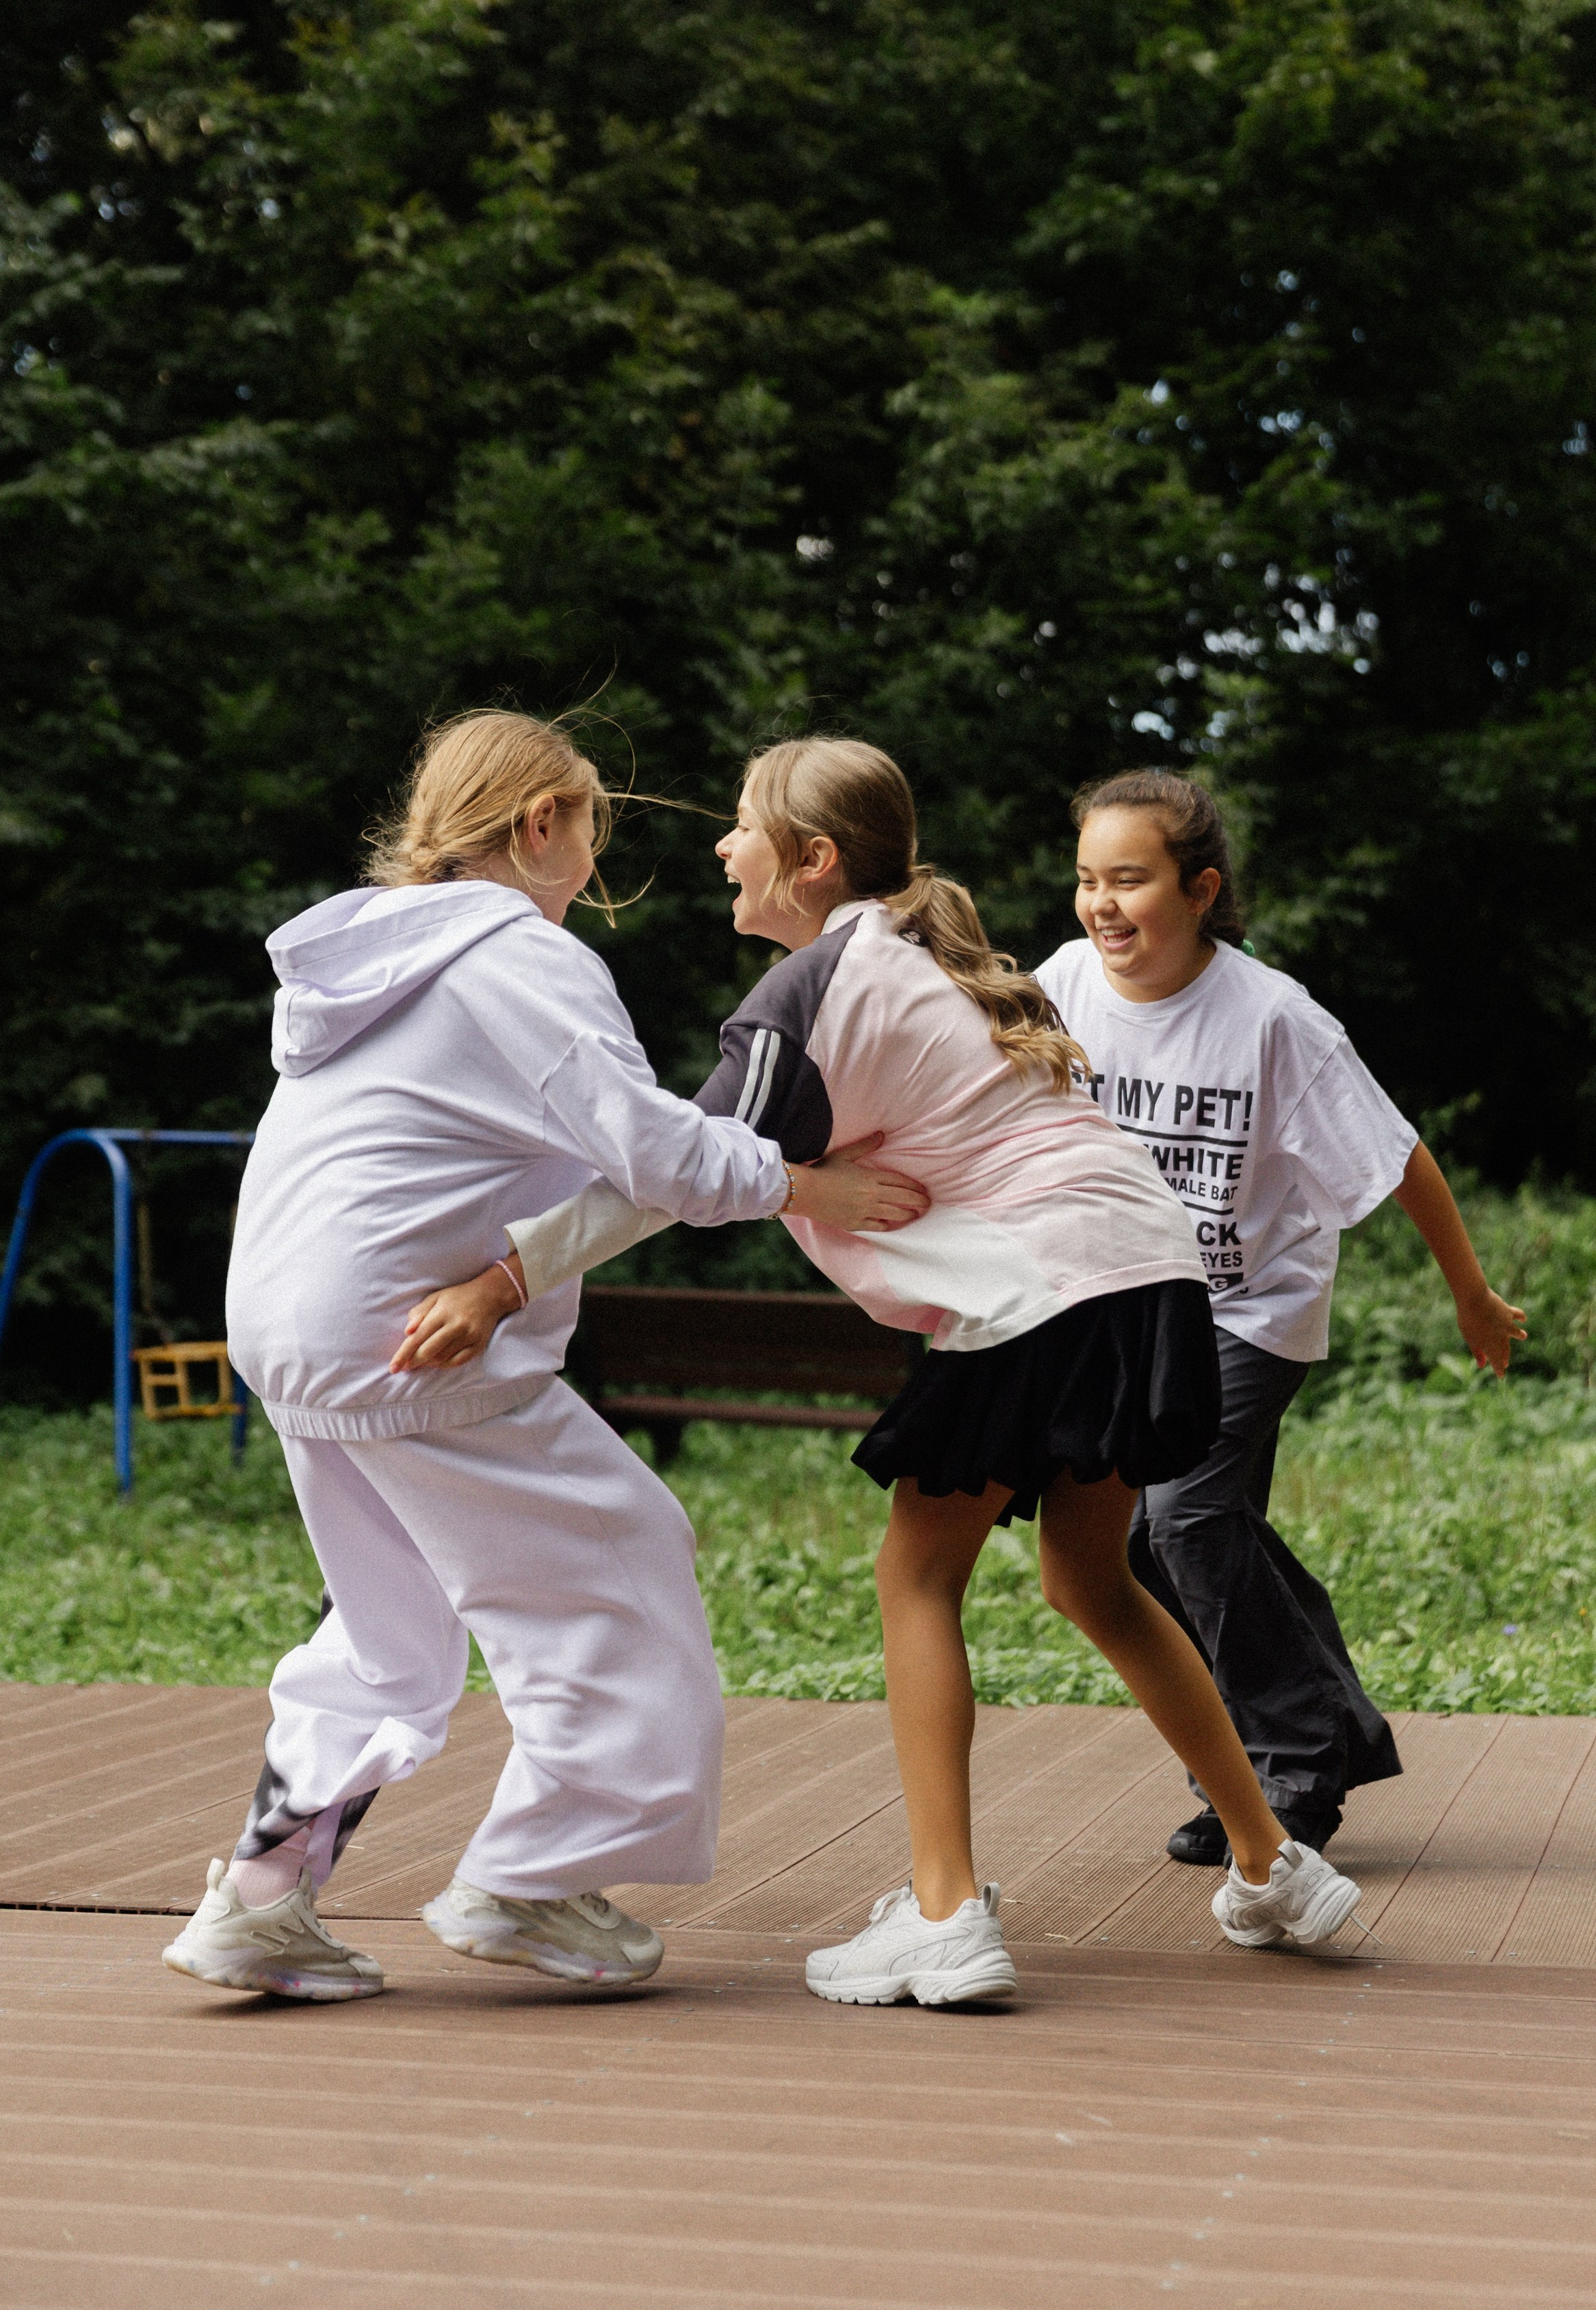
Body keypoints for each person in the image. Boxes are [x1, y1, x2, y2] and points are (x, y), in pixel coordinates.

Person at [407, 737, 1371, 2004]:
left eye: (742, 825)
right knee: (1093, 1578)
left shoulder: (812, 988)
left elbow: (666, 1170)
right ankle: (1272, 1862)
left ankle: (944, 1913)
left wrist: (498, 1281)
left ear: (812, 862)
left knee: (915, 1579)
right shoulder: (924, 951)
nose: (718, 847)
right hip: (1150, 1274)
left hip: (1050, 1285)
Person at [161, 710, 926, 2004]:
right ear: (537, 825)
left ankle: (259, 1900)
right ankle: (530, 1881)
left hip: (295, 1329)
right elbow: (665, 1159)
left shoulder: (378, 956)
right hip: (405, 1339)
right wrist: (809, 1183)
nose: (595, 853)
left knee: (392, 1636)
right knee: (619, 1561)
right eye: (590, 823)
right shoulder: (520, 957)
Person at [1033, 767, 1526, 1866]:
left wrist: (1470, 1295)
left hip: (1249, 1308)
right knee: (1157, 1541)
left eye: (1129, 880)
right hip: (1127, 1314)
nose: (1101, 905)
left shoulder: (1270, 1019)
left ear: (1199, 888)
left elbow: (1396, 1157)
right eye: (1085, 880)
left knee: (1189, 1521)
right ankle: (1257, 1760)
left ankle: (1297, 1757)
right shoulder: (1062, 983)